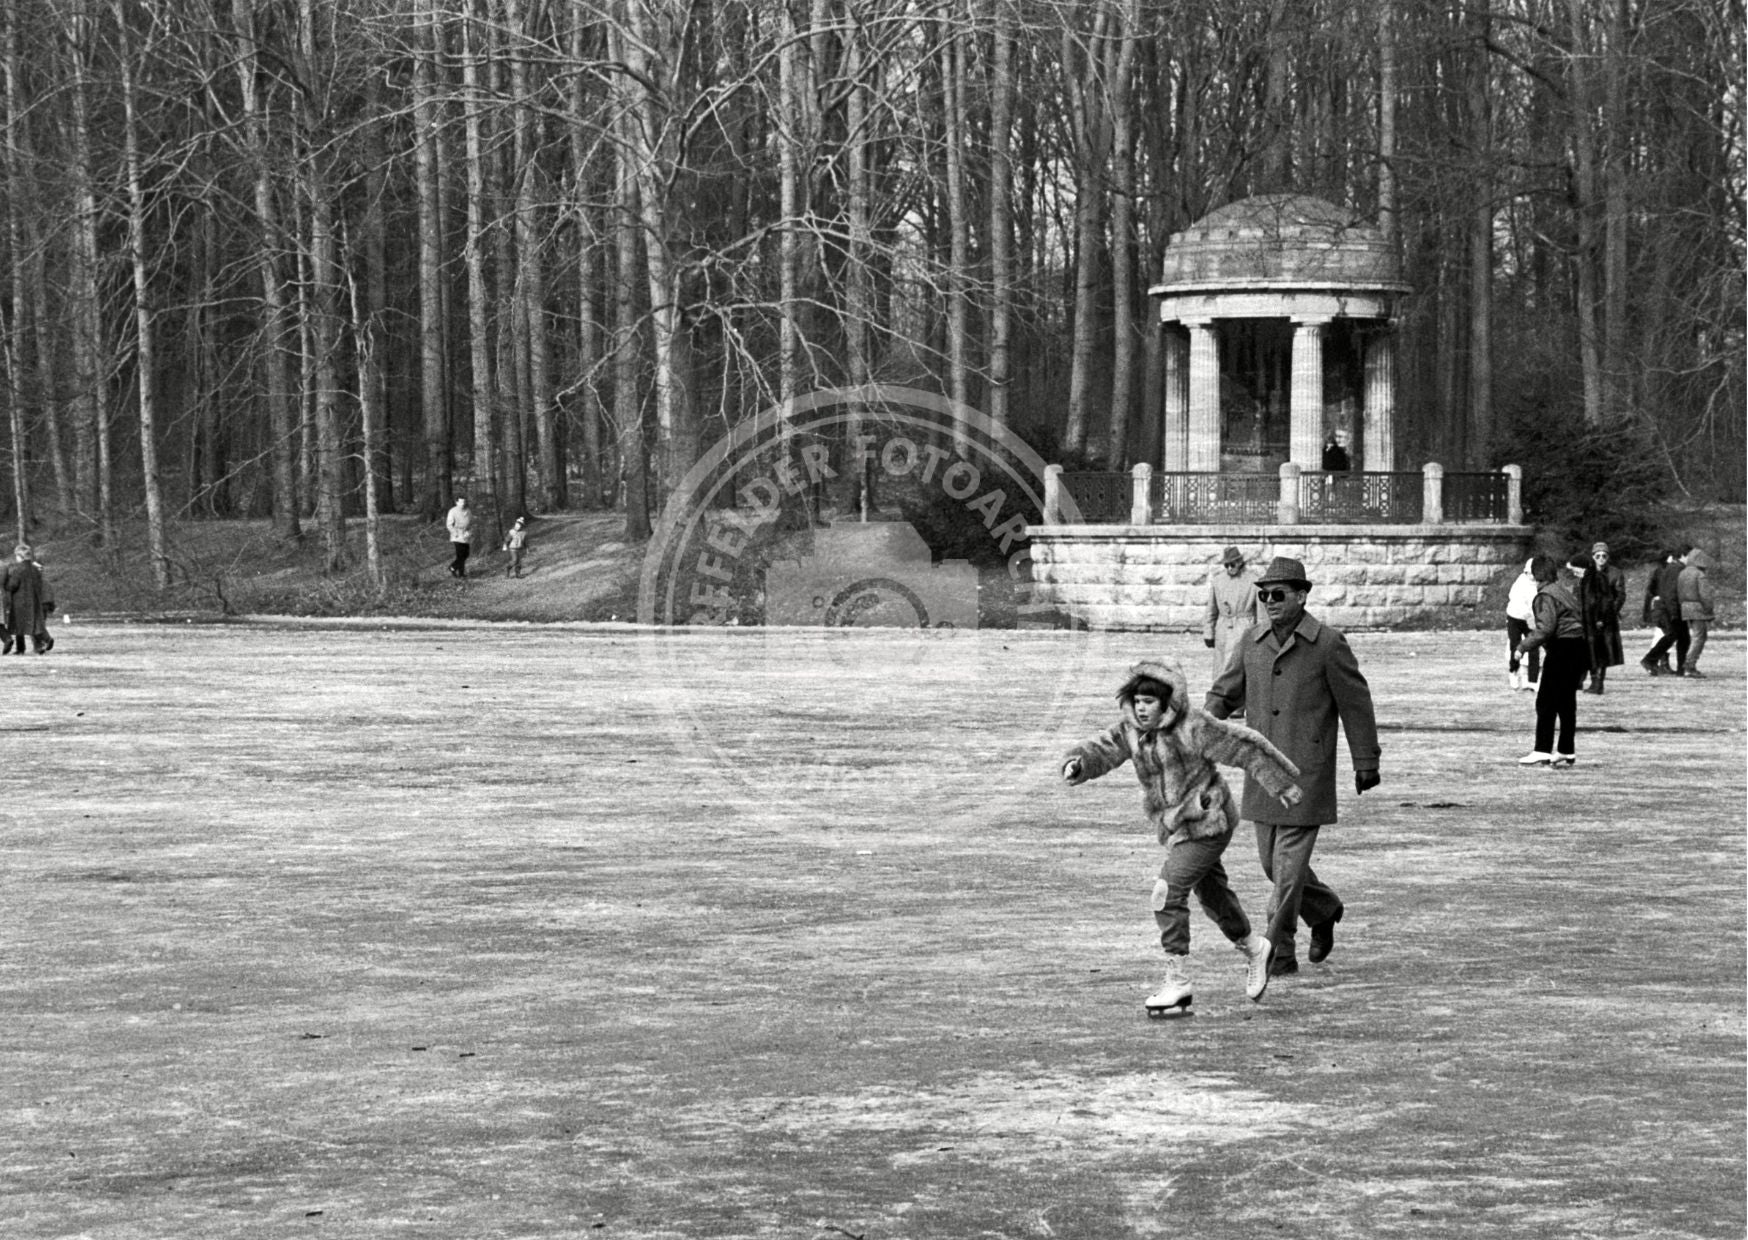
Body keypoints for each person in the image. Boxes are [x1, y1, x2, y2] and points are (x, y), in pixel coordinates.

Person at [1062, 658, 1302, 1012]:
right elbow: (1102, 749)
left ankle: (1178, 982)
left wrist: (1280, 783)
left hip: (1208, 822)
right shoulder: (1130, 730)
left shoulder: (1193, 727)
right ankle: (1256, 948)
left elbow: (1243, 745)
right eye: (1137, 701)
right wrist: (1079, 763)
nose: (1142, 709)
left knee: (1167, 893)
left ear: (1167, 702)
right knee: (1214, 896)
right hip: (1175, 830)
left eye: (1150, 702)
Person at [1205, 556, 1381, 978]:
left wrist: (1366, 760)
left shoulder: (1328, 644)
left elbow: (1356, 705)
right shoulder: (1250, 641)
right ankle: (1323, 910)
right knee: (1272, 864)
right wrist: (1201, 733)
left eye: (1278, 594)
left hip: (1308, 773)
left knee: (1286, 875)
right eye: (1264, 595)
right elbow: (1223, 694)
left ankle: (1277, 952)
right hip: (1263, 773)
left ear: (1302, 596)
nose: (1269, 601)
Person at [1514, 554, 1587, 767]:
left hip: (1562, 649)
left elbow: (1546, 629)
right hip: (1577, 647)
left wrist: (1522, 647)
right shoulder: (1562, 591)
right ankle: (1566, 749)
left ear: (1537, 574)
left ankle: (1542, 749)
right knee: (1566, 703)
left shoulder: (1545, 595)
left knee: (1545, 701)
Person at [1573, 542, 1625, 694]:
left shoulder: (1615, 573)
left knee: (1601, 651)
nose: (1601, 558)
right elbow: (1580, 595)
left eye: (1604, 555)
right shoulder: (1586, 573)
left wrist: (1609, 614)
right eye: (1598, 556)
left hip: (1604, 619)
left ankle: (1597, 682)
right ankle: (1580, 680)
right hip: (1587, 618)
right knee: (1586, 649)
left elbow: (1619, 596)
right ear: (1593, 557)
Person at [1203, 547, 1258, 680]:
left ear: (1240, 562)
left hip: (1244, 628)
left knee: (1241, 669)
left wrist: (1261, 635)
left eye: (1232, 564)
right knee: (1221, 670)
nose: (1229, 568)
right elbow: (1211, 609)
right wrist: (1208, 632)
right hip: (1223, 629)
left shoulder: (1254, 581)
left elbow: (1261, 613)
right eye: (1226, 565)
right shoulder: (1218, 581)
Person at [1639, 549, 1688, 676]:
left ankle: (1670, 665)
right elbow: (1661, 591)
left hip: (1666, 607)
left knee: (1677, 636)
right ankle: (1654, 661)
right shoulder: (1669, 570)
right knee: (1670, 635)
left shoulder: (1668, 570)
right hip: (1665, 608)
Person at [2, 544, 55, 655]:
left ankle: (20, 648)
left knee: (17, 626)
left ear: (19, 556)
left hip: (19, 601)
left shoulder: (18, 569)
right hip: (34, 600)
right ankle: (47, 639)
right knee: (35, 624)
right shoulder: (35, 569)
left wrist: (5, 585)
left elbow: (13, 585)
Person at [1676, 546, 1716, 678]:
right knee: (1699, 637)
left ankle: (1688, 664)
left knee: (1696, 636)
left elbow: (1679, 593)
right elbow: (1705, 595)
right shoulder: (1700, 575)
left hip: (1685, 608)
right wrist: (1709, 609)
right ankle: (1689, 666)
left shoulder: (1682, 573)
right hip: (1698, 608)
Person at [1505, 558, 1541, 692]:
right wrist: (1528, 616)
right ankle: (1513, 671)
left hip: (1531, 620)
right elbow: (1515, 599)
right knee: (1515, 645)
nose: (1530, 576)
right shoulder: (1521, 581)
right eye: (1528, 573)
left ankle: (1532, 681)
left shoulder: (1539, 583)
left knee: (1534, 648)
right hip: (1515, 617)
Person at [445, 497, 474, 578]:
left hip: (466, 535)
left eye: (464, 502)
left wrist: (469, 532)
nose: (463, 504)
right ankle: (457, 570)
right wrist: (455, 533)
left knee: (466, 554)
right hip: (457, 536)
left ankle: (455, 569)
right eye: (461, 502)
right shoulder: (452, 511)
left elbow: (471, 523)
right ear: (456, 502)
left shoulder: (468, 511)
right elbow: (449, 524)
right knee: (460, 555)